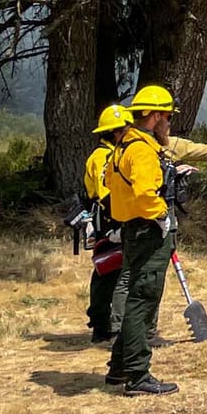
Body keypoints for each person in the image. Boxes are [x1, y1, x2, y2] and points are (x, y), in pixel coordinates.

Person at [105, 84, 181, 395]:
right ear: (154, 116)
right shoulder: (142, 150)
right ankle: (137, 375)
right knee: (143, 300)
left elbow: (111, 184)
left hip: (132, 229)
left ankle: (119, 368)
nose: (169, 123)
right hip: (148, 230)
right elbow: (145, 193)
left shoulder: (122, 146)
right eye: (167, 116)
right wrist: (162, 216)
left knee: (138, 295)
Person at [82, 104, 131, 342]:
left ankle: (102, 323)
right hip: (110, 219)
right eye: (126, 128)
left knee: (106, 270)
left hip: (108, 217)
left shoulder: (108, 154)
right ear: (115, 132)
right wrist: (122, 222)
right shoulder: (103, 157)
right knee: (112, 270)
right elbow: (107, 194)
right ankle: (109, 326)